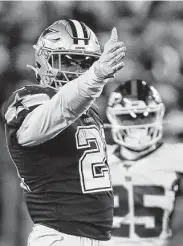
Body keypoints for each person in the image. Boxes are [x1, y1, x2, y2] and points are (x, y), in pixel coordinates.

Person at [2, 19, 126, 246]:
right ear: (44, 59)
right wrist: (94, 77)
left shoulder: (88, 108)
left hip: (100, 237)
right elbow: (56, 112)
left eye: (86, 63)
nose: (79, 70)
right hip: (60, 236)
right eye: (69, 62)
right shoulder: (27, 98)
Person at [105, 79, 183, 246]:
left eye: (145, 116)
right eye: (128, 118)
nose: (137, 126)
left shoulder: (175, 156)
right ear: (113, 118)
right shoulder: (97, 156)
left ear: (159, 115)